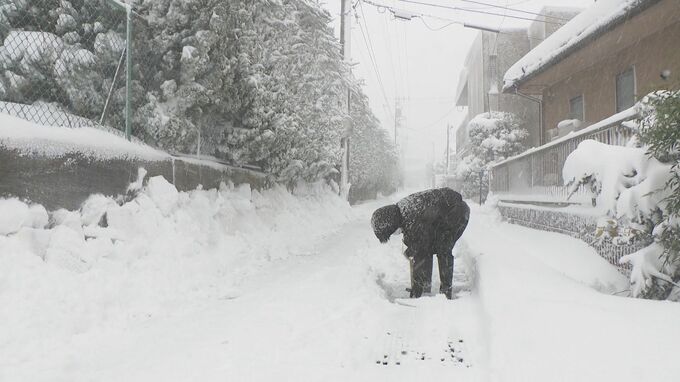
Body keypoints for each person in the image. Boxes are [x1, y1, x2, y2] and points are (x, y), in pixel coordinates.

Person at [371, 188, 469, 299]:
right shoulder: (403, 209)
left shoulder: (411, 218)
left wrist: (416, 291)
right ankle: (425, 287)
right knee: (427, 248)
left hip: (457, 213)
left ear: (390, 225)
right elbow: (420, 242)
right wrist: (412, 249)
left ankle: (445, 292)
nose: (394, 234)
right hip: (445, 213)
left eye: (390, 233)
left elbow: (420, 252)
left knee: (443, 249)